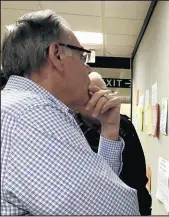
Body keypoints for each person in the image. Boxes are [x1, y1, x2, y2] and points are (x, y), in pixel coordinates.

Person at [1, 10, 139, 215]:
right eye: (83, 57)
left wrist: (109, 128)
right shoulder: (31, 116)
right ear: (57, 54)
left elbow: (103, 187)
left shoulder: (20, 109)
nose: (89, 69)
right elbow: (118, 210)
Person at [76, 72, 152, 215]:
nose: (99, 101)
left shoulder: (124, 124)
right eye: (91, 95)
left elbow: (138, 174)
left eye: (103, 94)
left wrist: (144, 208)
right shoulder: (73, 130)